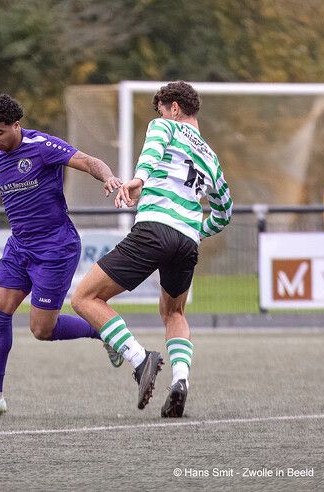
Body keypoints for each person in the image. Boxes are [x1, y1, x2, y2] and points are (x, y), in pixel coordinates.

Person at [0, 93, 124, 416]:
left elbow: (88, 161)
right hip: (19, 246)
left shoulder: (42, 146)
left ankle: (105, 330)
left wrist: (109, 177)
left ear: (16, 125)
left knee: (42, 329)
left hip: (55, 247)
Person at [71, 81, 233, 417]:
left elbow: (152, 150)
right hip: (186, 242)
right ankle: (181, 379)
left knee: (84, 298)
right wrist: (198, 231)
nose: (159, 116)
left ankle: (139, 358)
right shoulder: (212, 158)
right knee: (174, 313)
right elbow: (225, 211)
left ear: (174, 108)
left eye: (161, 109)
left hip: (155, 229)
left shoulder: (164, 126)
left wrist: (139, 180)